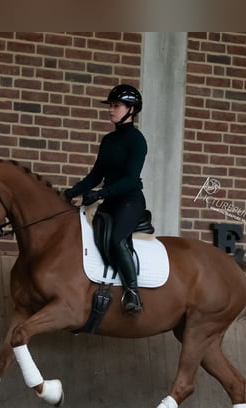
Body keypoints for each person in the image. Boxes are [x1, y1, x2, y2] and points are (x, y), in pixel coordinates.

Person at [64, 84, 148, 315]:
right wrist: (74, 190)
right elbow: (96, 175)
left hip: (129, 201)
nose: (111, 110)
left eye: (116, 106)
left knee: (117, 240)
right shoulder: (108, 140)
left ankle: (133, 292)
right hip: (109, 199)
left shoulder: (137, 140)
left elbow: (131, 179)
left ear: (131, 109)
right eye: (110, 105)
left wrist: (100, 194)